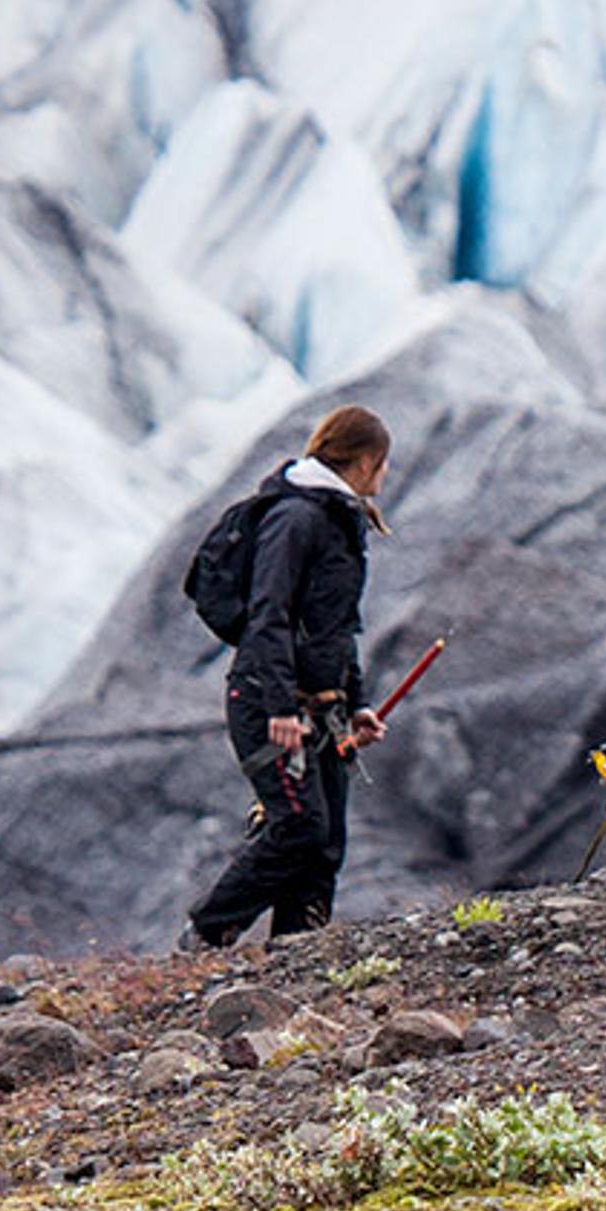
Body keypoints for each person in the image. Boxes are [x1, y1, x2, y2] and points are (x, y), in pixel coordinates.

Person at [187, 401, 389, 949]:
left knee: (324, 843)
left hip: (317, 708)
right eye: (384, 464)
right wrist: (278, 706)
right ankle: (206, 934)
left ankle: (296, 957)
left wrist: (355, 705)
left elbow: (334, 626)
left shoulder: (334, 518)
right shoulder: (296, 518)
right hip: (268, 702)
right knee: (299, 827)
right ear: (368, 462)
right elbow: (268, 614)